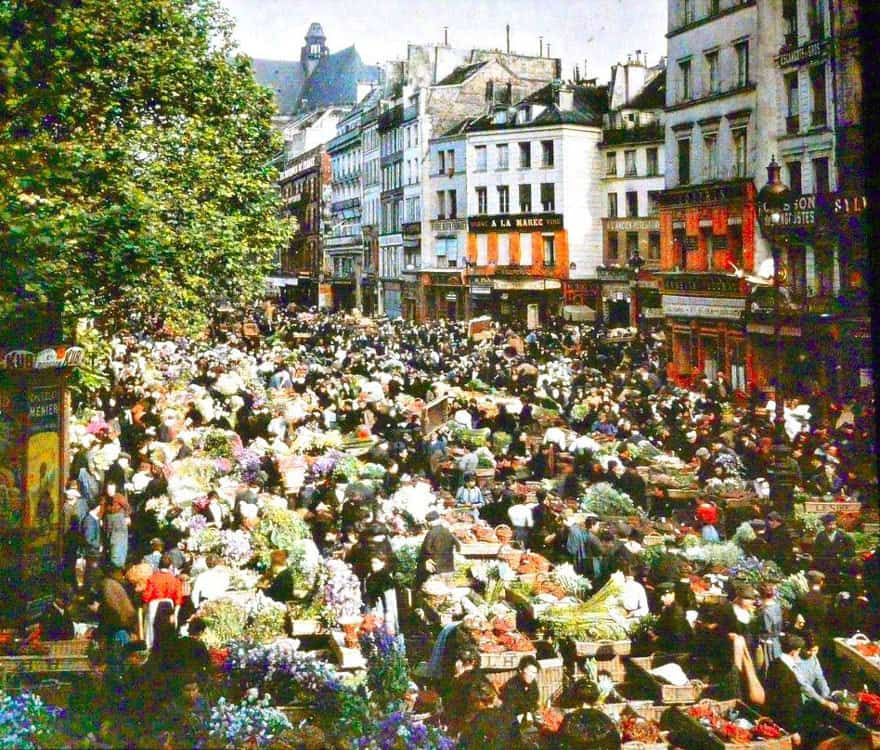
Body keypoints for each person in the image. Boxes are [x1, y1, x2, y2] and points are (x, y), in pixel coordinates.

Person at [764, 634, 807, 745]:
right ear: (793, 652)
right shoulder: (786, 673)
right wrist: (793, 730)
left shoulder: (774, 664)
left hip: (774, 720)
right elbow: (788, 704)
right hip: (786, 726)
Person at [416, 511, 460, 585]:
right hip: (449, 566)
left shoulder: (431, 533)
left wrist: (427, 559)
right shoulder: (447, 531)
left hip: (436, 568)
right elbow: (458, 546)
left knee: (437, 590)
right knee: (448, 589)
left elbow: (426, 549)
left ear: (429, 523)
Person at [812, 513, 855, 584]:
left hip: (839, 565)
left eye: (833, 524)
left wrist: (845, 556)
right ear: (824, 525)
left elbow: (851, 546)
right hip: (825, 565)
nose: (832, 526)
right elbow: (816, 551)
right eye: (829, 525)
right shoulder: (820, 536)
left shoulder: (842, 535)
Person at [500, 655, 541, 722]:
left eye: (534, 673)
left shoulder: (532, 684)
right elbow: (509, 708)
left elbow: (534, 702)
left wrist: (532, 713)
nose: (532, 675)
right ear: (520, 670)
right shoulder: (511, 686)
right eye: (529, 671)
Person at [653, 582, 691, 653]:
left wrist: (658, 639)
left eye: (664, 595)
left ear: (673, 594)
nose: (662, 598)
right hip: (669, 648)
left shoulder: (677, 613)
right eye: (661, 596)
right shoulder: (668, 609)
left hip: (679, 652)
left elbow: (677, 638)